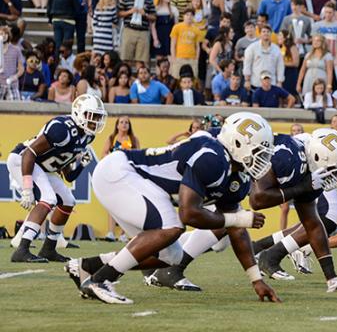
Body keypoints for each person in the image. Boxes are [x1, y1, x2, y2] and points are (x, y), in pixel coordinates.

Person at [64, 112, 279, 305]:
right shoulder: (213, 158)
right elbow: (189, 213)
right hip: (121, 172)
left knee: (171, 256)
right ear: (238, 144)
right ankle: (101, 281)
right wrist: (237, 219)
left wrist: (256, 280)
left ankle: (86, 267)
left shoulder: (237, 177)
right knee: (172, 227)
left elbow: (237, 232)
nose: (263, 159)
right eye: (258, 151)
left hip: (137, 183)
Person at [149, 127, 337, 293]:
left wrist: (331, 277)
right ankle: (170, 269)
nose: (331, 177)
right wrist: (302, 188)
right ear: (319, 156)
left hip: (234, 170)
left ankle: (152, 258)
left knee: (221, 240)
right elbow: (258, 198)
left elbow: (313, 225)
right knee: (228, 220)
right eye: (331, 169)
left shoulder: (306, 170)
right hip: (218, 160)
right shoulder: (289, 157)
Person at [10, 95, 106, 263]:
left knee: (68, 200)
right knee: (48, 198)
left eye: (98, 116)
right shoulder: (62, 129)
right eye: (91, 115)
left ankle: (49, 248)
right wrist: (27, 187)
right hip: (22, 159)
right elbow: (29, 153)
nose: (96, 121)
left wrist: (81, 165)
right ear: (79, 113)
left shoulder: (87, 136)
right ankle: (22, 249)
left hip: (42, 167)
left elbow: (68, 175)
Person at [101, 116, 141, 242]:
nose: (124, 125)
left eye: (126, 123)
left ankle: (123, 234)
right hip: (114, 174)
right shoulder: (112, 138)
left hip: (128, 175)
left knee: (126, 204)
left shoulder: (133, 139)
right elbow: (103, 154)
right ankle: (110, 233)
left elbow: (138, 156)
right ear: (117, 125)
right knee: (112, 204)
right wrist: (115, 155)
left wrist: (128, 152)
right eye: (121, 122)